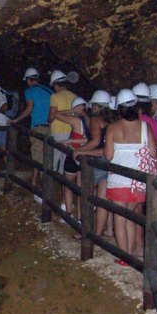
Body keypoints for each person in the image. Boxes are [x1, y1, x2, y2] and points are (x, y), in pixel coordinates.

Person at [105, 89, 157, 264]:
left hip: (118, 180)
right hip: (138, 182)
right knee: (131, 217)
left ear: (119, 108)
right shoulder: (145, 127)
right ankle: (132, 253)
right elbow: (152, 153)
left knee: (120, 219)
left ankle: (124, 257)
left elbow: (108, 156)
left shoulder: (113, 128)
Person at [73, 90, 114, 237]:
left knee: (86, 194)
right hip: (109, 160)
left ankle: (86, 230)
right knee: (103, 199)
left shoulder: (96, 120)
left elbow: (95, 141)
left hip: (98, 160)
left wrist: (80, 151)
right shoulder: (111, 119)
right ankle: (98, 233)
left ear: (95, 105)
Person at [9, 67, 53, 194]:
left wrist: (16, 120)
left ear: (28, 80)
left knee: (37, 155)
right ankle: (34, 180)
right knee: (45, 155)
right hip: (49, 126)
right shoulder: (49, 90)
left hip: (38, 126)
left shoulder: (29, 91)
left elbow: (29, 109)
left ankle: (44, 188)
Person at [55, 97, 90, 228]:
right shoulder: (92, 120)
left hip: (74, 154)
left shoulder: (76, 120)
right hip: (86, 157)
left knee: (68, 184)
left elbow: (56, 114)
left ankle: (68, 213)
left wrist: (72, 110)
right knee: (82, 188)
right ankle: (80, 218)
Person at [49, 70, 77, 174]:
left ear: (56, 84)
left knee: (54, 157)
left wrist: (49, 122)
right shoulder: (74, 96)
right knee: (64, 157)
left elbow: (52, 115)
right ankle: (61, 177)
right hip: (70, 130)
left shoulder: (54, 97)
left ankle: (50, 179)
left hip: (57, 130)